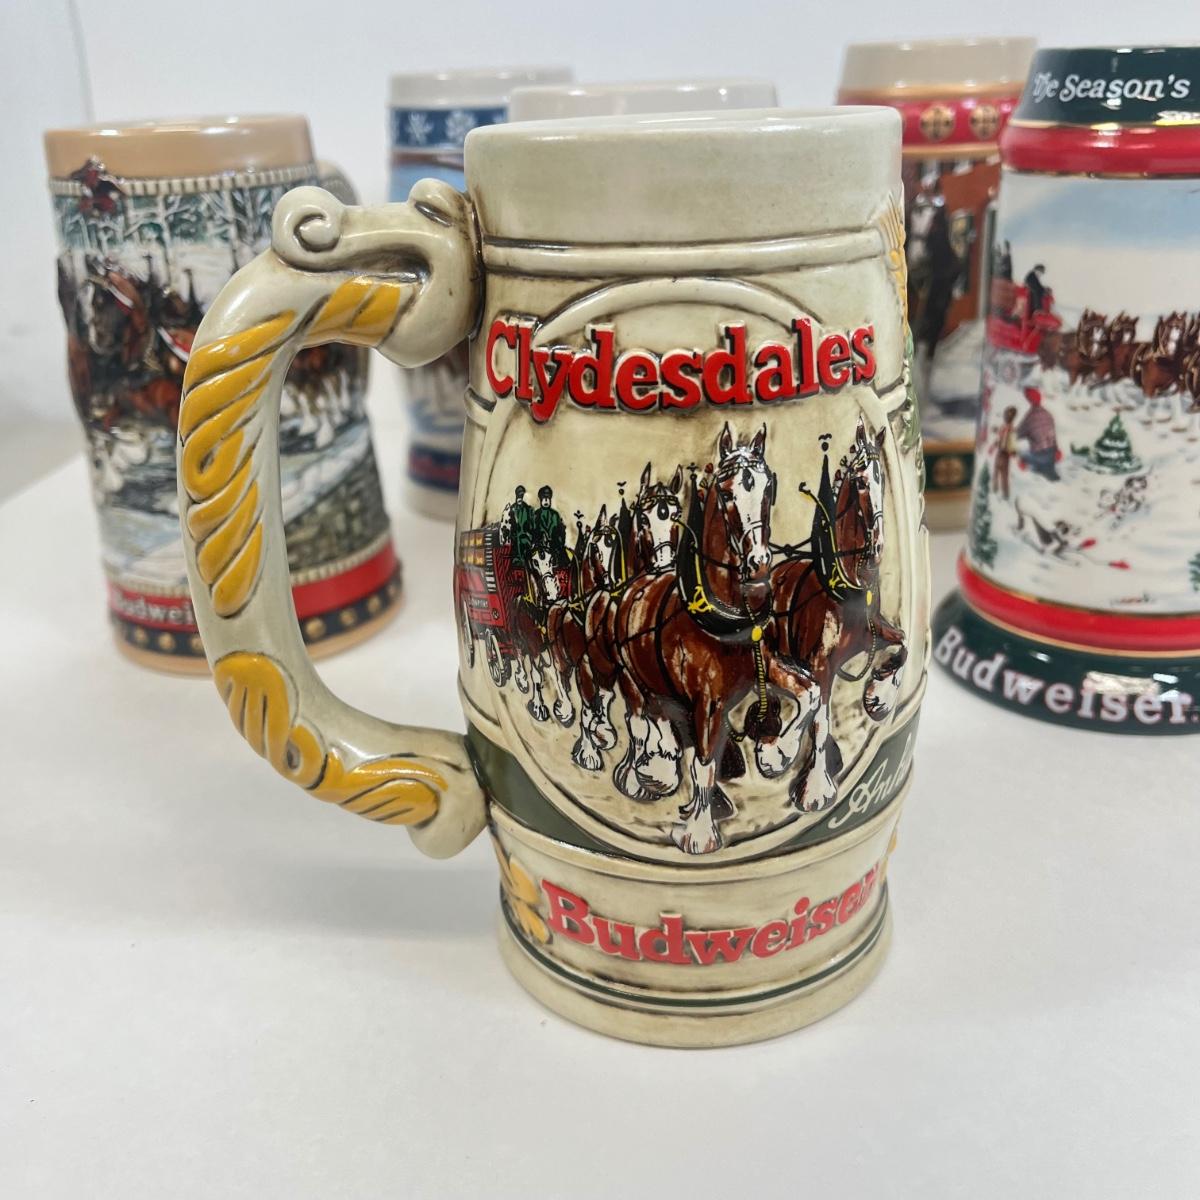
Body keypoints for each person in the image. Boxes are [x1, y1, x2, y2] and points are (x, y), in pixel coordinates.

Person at [1017, 387, 1060, 481]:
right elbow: (1054, 436)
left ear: (1029, 400)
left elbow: (1017, 435)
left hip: (1039, 455)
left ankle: (1039, 469)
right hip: (1052, 454)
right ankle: (1049, 471)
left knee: (1021, 454)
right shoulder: (1048, 414)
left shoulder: (1030, 417)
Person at [531, 484, 567, 565]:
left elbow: (561, 531)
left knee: (565, 561)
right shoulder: (536, 515)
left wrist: (558, 542)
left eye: (548, 498)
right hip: (540, 546)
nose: (546, 501)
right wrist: (538, 541)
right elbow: (533, 531)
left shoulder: (555, 515)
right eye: (544, 498)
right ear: (540, 500)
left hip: (554, 546)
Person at [504, 484, 535, 566]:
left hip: (526, 537)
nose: (520, 498)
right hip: (514, 538)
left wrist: (530, 535)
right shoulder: (511, 509)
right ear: (516, 495)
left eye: (521, 496)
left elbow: (532, 525)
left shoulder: (529, 510)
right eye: (518, 495)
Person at [992, 405, 1019, 499]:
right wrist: (995, 444)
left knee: (1003, 475)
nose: (1006, 416)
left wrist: (1013, 451)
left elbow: (1012, 444)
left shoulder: (1012, 429)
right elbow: (1000, 437)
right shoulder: (1004, 427)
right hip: (1000, 452)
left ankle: (1005, 495)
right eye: (1006, 414)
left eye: (1008, 415)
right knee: (996, 472)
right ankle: (995, 491)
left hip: (1005, 454)